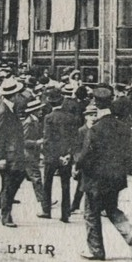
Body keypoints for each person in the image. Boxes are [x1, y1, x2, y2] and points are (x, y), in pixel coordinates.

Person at [74, 86, 132, 262]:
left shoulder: (95, 129)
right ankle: (131, 236)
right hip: (115, 177)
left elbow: (87, 154)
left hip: (95, 178)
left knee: (91, 213)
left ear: (96, 104)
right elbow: (128, 152)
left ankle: (96, 250)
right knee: (112, 209)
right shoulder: (122, 127)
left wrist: (78, 165)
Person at [0, 78, 27, 226]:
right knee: (9, 185)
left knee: (15, 181)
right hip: (9, 155)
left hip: (15, 153)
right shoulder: (3, 111)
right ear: (15, 95)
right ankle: (6, 216)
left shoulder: (9, 108)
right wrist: (0, 158)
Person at [40, 87, 76, 223]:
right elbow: (74, 138)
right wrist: (67, 154)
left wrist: (50, 154)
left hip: (52, 156)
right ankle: (65, 213)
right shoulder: (71, 118)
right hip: (66, 155)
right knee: (65, 184)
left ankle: (46, 210)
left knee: (47, 183)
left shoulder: (48, 118)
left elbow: (48, 139)